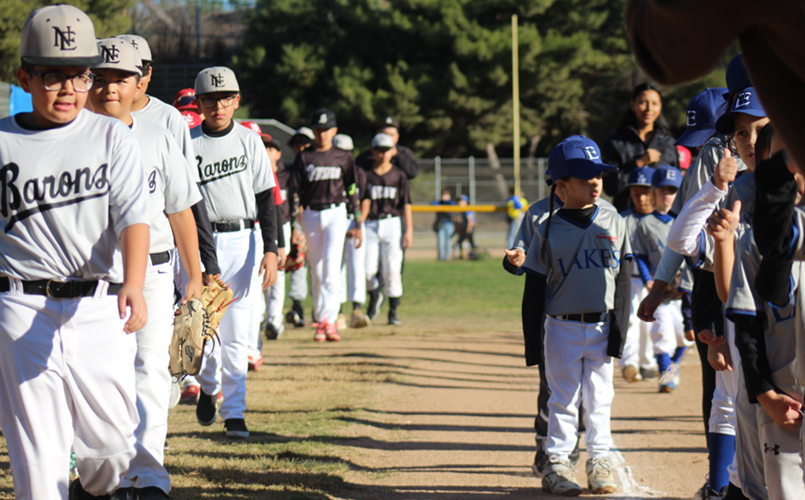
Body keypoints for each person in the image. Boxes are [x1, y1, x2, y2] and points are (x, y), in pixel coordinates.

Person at [0, 5, 150, 498]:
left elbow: (133, 216)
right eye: (53, 76)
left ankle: (94, 490)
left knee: (111, 454)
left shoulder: (111, 137)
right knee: (38, 465)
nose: (69, 88)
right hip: (20, 306)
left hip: (99, 305)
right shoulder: (3, 142)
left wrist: (133, 281)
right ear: (24, 76)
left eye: (80, 75)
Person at [89, 38, 203, 499]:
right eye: (101, 77)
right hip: (91, 275)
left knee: (150, 369)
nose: (110, 87)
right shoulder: (72, 135)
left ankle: (149, 474)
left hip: (154, 270)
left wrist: (194, 274)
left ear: (139, 82)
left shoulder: (158, 135)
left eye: (121, 78)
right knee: (96, 375)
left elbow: (180, 210)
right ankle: (103, 473)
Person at [666, 88, 769, 499]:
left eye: (759, 130)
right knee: (734, 413)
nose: (750, 143)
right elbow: (682, 240)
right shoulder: (735, 194)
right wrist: (712, 189)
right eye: (741, 134)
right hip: (742, 326)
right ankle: (724, 488)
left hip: (786, 333)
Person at [519, 135, 631, 495]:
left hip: (601, 323)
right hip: (561, 327)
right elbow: (534, 289)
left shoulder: (614, 220)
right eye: (585, 176)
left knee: (600, 397)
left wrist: (621, 329)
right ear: (562, 187)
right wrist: (531, 344)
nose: (595, 181)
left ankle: (599, 460)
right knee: (562, 399)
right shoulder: (547, 226)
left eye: (598, 173)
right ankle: (557, 463)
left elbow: (624, 279)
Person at [191, 66, 279, 439]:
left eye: (225, 97)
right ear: (199, 103)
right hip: (199, 242)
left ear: (236, 101)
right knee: (204, 328)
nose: (218, 105)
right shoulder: (188, 141)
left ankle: (235, 413)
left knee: (238, 330)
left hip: (243, 239)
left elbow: (266, 199)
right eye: (210, 99)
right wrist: (205, 260)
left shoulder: (248, 141)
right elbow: (189, 206)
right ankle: (209, 387)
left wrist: (271, 249)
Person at [287, 108, 361, 342]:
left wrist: (357, 220)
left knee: (330, 267)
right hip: (310, 214)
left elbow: (351, 188)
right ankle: (321, 319)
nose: (322, 134)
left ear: (334, 131)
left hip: (336, 213)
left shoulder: (343, 156)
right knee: (317, 270)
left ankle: (329, 320)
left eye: (326, 130)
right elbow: (294, 191)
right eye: (318, 130)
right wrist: (294, 225)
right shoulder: (305, 157)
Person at [632, 166, 691, 393]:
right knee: (661, 333)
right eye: (662, 189)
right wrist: (648, 279)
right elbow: (640, 255)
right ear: (654, 191)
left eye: (672, 189)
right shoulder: (645, 223)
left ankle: (673, 364)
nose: (667, 194)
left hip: (684, 289)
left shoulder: (686, 219)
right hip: (661, 290)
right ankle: (665, 374)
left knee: (686, 336)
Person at [602, 82, 679, 211]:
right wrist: (638, 163)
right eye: (643, 102)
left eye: (654, 103)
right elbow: (610, 187)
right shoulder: (616, 143)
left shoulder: (669, 144)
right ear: (632, 105)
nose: (649, 109)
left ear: (660, 106)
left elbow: (677, 187)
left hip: (661, 221)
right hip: (626, 220)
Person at [363, 133, 413, 325]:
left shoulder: (399, 175)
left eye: (387, 150)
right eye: (380, 150)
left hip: (392, 223)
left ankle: (393, 311)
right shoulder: (366, 174)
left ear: (393, 151)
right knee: (367, 269)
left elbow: (406, 204)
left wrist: (408, 230)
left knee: (392, 268)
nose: (383, 154)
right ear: (373, 151)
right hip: (370, 224)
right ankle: (375, 293)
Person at [617, 166, 657, 383]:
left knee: (652, 322)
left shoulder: (664, 219)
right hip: (629, 280)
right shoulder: (622, 220)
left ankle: (648, 363)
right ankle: (630, 363)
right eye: (635, 193)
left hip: (658, 282)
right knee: (631, 320)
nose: (641, 197)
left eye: (646, 191)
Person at [333, 133, 372, 328]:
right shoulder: (331, 171)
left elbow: (365, 199)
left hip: (354, 221)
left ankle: (356, 309)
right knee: (336, 266)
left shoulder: (359, 173)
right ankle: (338, 311)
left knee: (357, 265)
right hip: (335, 220)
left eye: (345, 152)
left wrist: (359, 225)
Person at [284, 126, 316, 328]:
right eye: (297, 144)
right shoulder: (286, 173)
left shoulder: (314, 172)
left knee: (318, 269)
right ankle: (297, 307)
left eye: (305, 144)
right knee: (297, 263)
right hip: (292, 224)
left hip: (312, 223)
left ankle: (325, 312)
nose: (300, 148)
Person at [432, 189, 455, 260]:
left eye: (446, 195)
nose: (445, 196)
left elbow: (453, 204)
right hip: (441, 224)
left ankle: (447, 258)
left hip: (449, 224)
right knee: (440, 242)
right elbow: (432, 203)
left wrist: (447, 201)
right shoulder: (439, 202)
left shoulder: (450, 203)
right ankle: (440, 258)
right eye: (444, 195)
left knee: (448, 241)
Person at [454, 195, 477, 259]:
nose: (460, 203)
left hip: (469, 228)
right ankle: (461, 255)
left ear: (466, 202)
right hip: (463, 228)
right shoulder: (459, 210)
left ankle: (474, 255)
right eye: (459, 201)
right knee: (460, 242)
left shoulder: (467, 209)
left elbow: (470, 220)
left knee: (471, 242)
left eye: (462, 201)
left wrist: (469, 229)